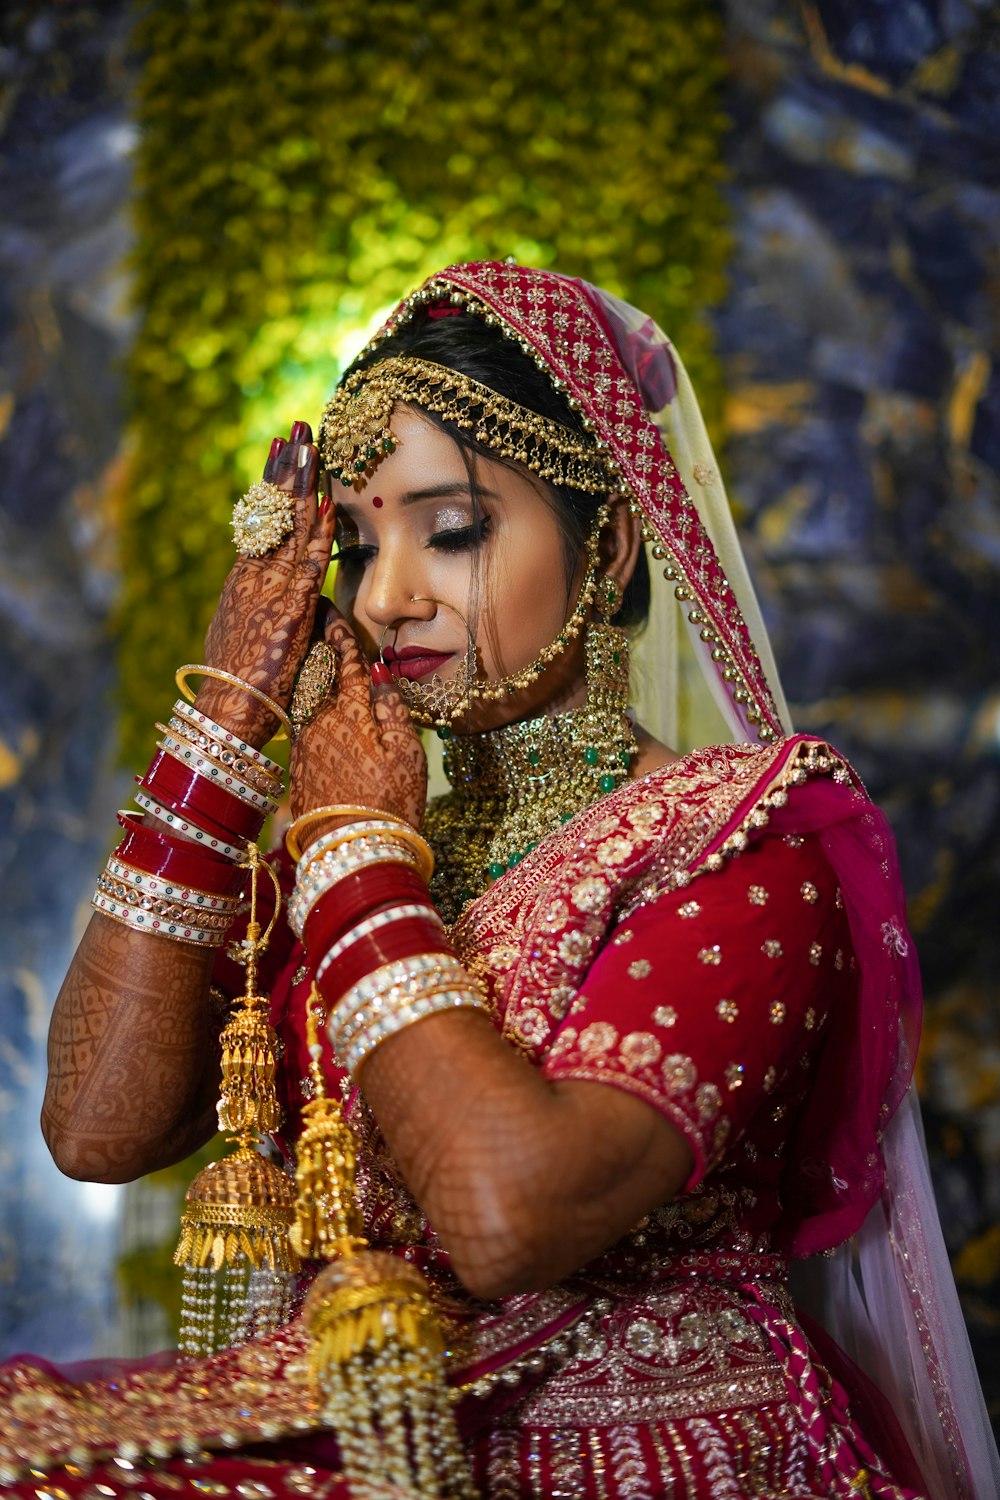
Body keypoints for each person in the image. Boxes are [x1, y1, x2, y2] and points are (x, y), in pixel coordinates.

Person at [2, 261, 997, 1500]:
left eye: (452, 530)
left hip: (644, 1459)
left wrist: (359, 861)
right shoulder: (358, 827)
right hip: (374, 1427)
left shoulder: (742, 843)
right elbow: (96, 1127)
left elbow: (505, 1217)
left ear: (610, 542)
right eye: (356, 546)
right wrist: (227, 718)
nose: (381, 598)